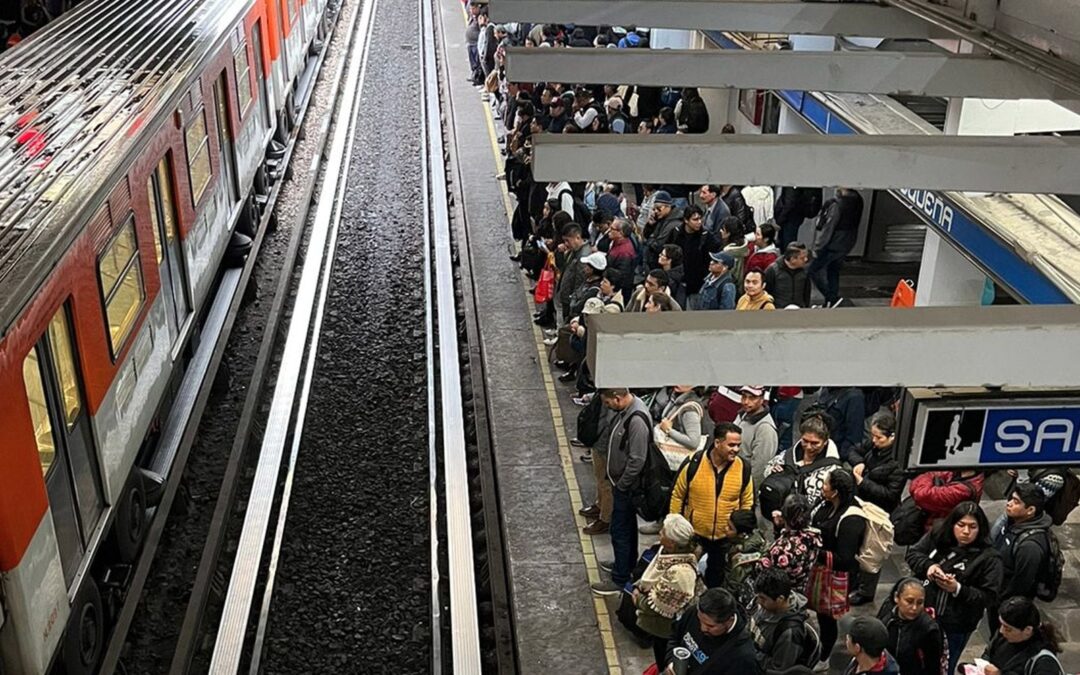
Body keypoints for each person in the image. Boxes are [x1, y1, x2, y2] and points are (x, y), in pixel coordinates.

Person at [904, 501, 1004, 675]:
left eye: (972, 527)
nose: (966, 532)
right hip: (924, 613)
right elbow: (913, 553)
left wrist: (958, 589)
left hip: (956, 625)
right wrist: (929, 566)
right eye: (961, 525)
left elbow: (988, 596)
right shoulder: (938, 535)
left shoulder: (989, 559)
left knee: (942, 668)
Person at [669, 422, 754, 588]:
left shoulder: (743, 468)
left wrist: (737, 530)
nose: (736, 450)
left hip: (725, 539)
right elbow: (677, 496)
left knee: (717, 579)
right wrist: (675, 528)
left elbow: (747, 501)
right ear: (717, 443)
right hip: (694, 536)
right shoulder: (693, 463)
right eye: (731, 445)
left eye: (738, 445)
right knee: (686, 579)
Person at [592, 388, 652, 596]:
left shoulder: (636, 421)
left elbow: (637, 460)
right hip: (622, 484)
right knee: (625, 529)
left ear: (617, 398)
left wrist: (622, 484)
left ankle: (620, 578)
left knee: (620, 531)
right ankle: (624, 563)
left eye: (608, 403)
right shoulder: (626, 412)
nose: (608, 407)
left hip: (626, 488)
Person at [625, 514, 703, 670]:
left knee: (665, 661)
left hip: (666, 630)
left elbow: (658, 604)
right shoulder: (666, 552)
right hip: (657, 627)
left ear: (672, 543)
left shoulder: (681, 574)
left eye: (663, 532)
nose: (660, 533)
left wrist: (638, 598)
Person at [810, 469, 865, 671]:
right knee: (820, 613)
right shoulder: (826, 505)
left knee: (827, 618)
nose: (822, 487)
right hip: (821, 571)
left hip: (836, 576)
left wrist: (815, 549)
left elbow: (844, 559)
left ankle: (824, 656)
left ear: (835, 491)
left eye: (825, 484)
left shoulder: (851, 519)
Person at [848, 411, 905, 605]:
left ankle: (866, 591)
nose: (874, 440)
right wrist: (860, 462)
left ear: (892, 437)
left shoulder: (898, 462)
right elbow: (853, 450)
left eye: (879, 437)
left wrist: (863, 482)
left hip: (879, 512)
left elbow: (890, 494)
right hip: (861, 504)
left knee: (872, 552)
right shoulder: (873, 447)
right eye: (872, 436)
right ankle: (854, 579)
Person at [988, 483, 1054, 630]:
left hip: (1005, 603)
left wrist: (999, 601)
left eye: (1016, 502)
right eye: (1011, 499)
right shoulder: (1012, 522)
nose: (1009, 503)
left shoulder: (1030, 546)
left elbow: (1021, 584)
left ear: (1030, 510)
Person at [762, 416, 842, 521]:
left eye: (815, 443)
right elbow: (767, 469)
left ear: (825, 441)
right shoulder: (788, 455)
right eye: (805, 441)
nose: (808, 447)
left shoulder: (833, 469)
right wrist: (774, 472)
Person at [664, 588, 758, 675]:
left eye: (710, 626)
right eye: (699, 620)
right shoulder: (696, 612)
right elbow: (674, 637)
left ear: (729, 620)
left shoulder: (743, 658)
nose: (702, 628)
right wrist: (671, 661)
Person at [750, 568, 815, 674]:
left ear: (780, 599)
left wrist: (749, 654)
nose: (758, 601)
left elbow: (778, 669)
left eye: (762, 598)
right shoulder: (767, 606)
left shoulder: (790, 632)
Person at [876, 578, 945, 675]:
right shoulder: (887, 613)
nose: (914, 608)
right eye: (909, 601)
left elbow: (933, 666)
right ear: (897, 597)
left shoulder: (929, 629)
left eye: (920, 603)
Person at [980, 596, 1065, 675]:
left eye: (1008, 628)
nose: (1002, 631)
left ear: (1027, 630)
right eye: (1001, 624)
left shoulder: (1044, 663)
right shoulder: (1003, 636)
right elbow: (988, 653)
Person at [807, 187, 864, 305]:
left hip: (833, 244)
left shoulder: (837, 204)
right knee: (833, 271)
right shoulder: (858, 200)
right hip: (847, 242)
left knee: (813, 270)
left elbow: (828, 228)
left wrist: (817, 247)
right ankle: (831, 300)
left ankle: (832, 297)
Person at [759, 494, 822, 592]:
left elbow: (763, 571)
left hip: (779, 596)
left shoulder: (782, 549)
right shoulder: (813, 536)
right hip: (801, 589)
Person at [668, 205, 722, 310]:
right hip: (678, 283)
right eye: (695, 219)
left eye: (700, 218)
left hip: (697, 285)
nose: (699, 222)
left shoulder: (706, 236)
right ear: (686, 220)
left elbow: (715, 255)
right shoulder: (676, 233)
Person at [907, 468, 985, 535]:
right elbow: (933, 474)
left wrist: (928, 479)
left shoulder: (962, 491)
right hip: (934, 525)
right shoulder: (957, 472)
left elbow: (920, 494)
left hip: (941, 532)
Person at [733, 386, 777, 493]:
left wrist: (748, 492)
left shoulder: (765, 429)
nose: (746, 402)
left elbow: (759, 468)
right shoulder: (743, 414)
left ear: (762, 399)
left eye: (752, 398)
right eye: (744, 396)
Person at [721, 510, 766, 607]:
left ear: (742, 534)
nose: (725, 529)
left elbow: (732, 587)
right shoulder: (758, 537)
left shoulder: (741, 562)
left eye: (730, 528)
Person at [643, 190, 684, 271]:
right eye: (654, 209)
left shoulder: (674, 223)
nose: (656, 211)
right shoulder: (661, 218)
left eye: (658, 208)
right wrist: (650, 226)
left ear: (668, 206)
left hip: (663, 265)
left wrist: (651, 239)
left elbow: (658, 245)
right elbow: (647, 236)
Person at [763, 242, 812, 309]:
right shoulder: (773, 270)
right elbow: (766, 293)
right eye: (802, 258)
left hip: (800, 311)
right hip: (778, 312)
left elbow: (807, 293)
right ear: (792, 259)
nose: (806, 260)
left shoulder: (804, 272)